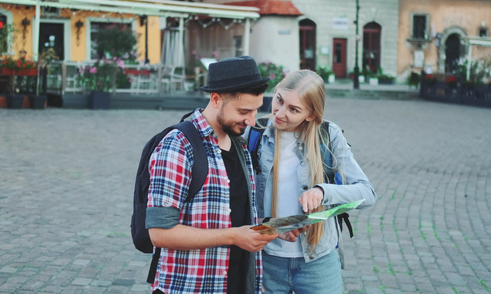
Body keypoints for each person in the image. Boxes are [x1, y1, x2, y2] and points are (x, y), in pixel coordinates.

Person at [145, 56, 279, 294]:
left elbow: (233, 218)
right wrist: (233, 236)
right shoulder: (178, 145)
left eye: (256, 110)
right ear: (216, 99)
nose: (251, 121)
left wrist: (269, 228)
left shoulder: (239, 144)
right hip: (189, 287)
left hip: (237, 284)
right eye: (243, 111)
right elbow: (160, 232)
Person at [245, 69, 376, 293]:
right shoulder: (253, 134)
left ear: (311, 115)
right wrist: (272, 227)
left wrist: (323, 192)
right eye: (279, 100)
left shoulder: (328, 135)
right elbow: (239, 204)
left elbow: (367, 194)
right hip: (266, 262)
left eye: (293, 109)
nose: (280, 113)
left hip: (318, 263)